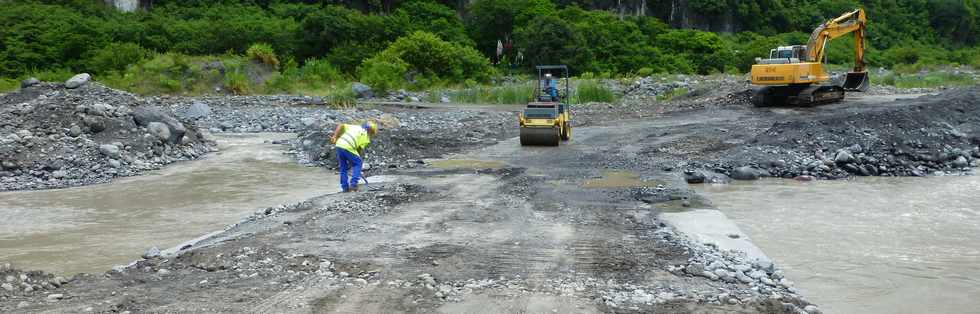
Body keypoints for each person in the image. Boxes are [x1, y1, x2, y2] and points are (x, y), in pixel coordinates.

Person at [329, 121, 379, 192]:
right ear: (370, 131)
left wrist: (335, 137)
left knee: (343, 167)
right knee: (358, 163)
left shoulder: (355, 127)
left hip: (339, 144)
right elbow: (358, 150)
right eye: (372, 133)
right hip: (348, 146)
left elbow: (341, 125)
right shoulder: (366, 137)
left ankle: (345, 188)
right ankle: (353, 185)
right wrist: (353, 161)